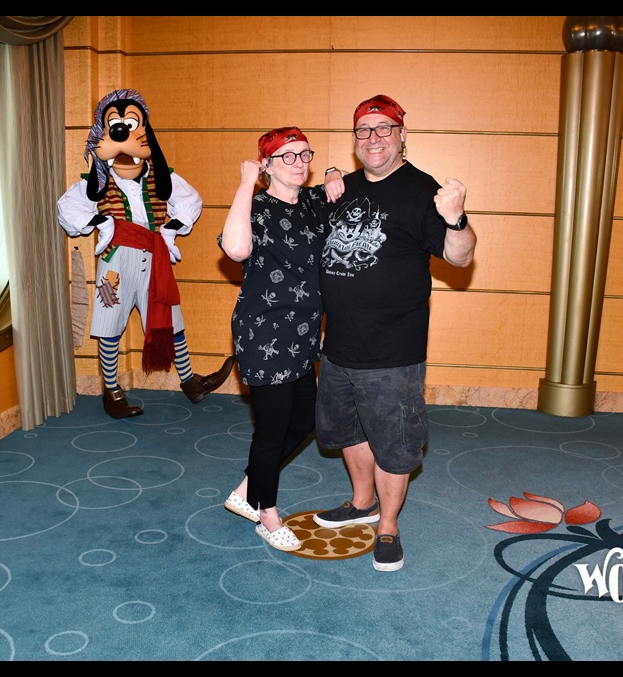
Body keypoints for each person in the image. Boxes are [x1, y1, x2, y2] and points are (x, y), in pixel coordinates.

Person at [313, 94, 477, 571]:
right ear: (354, 139)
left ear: (402, 135)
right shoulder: (342, 189)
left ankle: (387, 525)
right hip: (338, 344)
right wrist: (328, 172)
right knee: (348, 431)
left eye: (384, 128)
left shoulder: (422, 190)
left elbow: (461, 256)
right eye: (364, 130)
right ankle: (361, 503)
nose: (373, 138)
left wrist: (457, 218)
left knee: (394, 443)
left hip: (393, 352)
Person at [57, 89, 235, 419]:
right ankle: (112, 389)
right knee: (110, 323)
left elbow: (191, 200)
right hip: (116, 259)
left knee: (170, 319)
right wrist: (101, 222)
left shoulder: (161, 177)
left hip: (155, 257)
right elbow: (67, 208)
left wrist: (170, 229)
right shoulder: (97, 181)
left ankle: (189, 381)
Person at [218, 127, 344, 552]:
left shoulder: (312, 202)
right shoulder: (253, 206)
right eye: (287, 156)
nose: (299, 163)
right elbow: (236, 250)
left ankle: (248, 488)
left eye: (304, 154)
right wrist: (245, 183)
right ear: (266, 164)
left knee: (305, 419)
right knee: (272, 430)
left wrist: (333, 171)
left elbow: (347, 180)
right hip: (264, 332)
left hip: (304, 332)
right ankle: (267, 515)